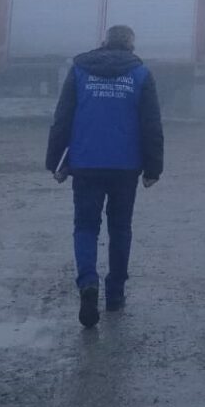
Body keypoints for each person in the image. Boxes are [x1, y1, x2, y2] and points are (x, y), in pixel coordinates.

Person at [45, 24, 164, 328]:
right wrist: (153, 168)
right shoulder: (141, 75)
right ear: (131, 46)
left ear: (104, 42)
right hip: (125, 167)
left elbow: (63, 118)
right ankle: (115, 294)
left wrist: (55, 161)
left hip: (86, 164)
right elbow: (151, 124)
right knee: (120, 228)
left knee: (86, 227)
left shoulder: (79, 72)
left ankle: (88, 282)